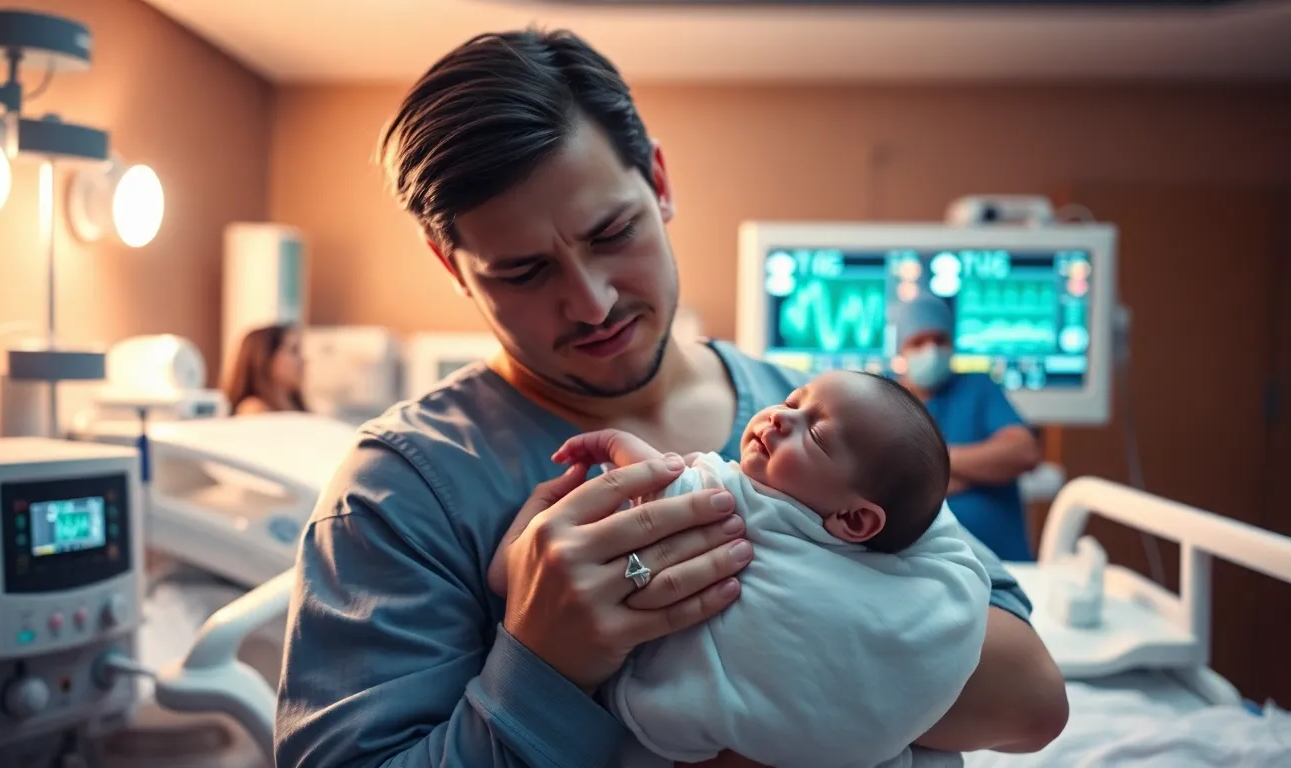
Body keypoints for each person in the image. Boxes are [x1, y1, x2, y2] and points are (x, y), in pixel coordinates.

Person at [274, 28, 1068, 768]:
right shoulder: (402, 493)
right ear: (452, 267)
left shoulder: (818, 416)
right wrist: (543, 661)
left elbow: (1032, 700)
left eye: (612, 232)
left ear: (658, 183)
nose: (590, 302)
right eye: (522, 271)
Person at [485, 370, 992, 768]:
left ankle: (512, 566)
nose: (779, 418)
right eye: (792, 402)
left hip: (668, 721)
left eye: (814, 434)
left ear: (856, 519)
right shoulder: (930, 578)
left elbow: (672, 489)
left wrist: (621, 447)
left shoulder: (750, 503)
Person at [892, 295, 1042, 562]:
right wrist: (983, 469)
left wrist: (932, 463)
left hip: (1003, 564)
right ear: (901, 349)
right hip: (917, 568)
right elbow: (883, 482)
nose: (931, 349)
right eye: (918, 342)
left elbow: (1023, 452)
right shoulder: (885, 398)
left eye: (940, 340)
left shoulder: (978, 388)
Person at [223, 323, 308, 416]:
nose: (302, 360)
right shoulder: (254, 410)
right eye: (294, 350)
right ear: (267, 359)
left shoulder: (295, 405)